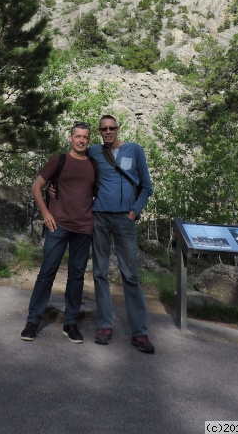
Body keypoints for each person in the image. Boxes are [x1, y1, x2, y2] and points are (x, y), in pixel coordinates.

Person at [20, 122, 97, 344]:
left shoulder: (93, 165)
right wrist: (46, 213)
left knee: (77, 277)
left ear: (88, 140)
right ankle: (32, 321)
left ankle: (70, 324)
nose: (81, 140)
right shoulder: (59, 160)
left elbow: (92, 193)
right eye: (78, 136)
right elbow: (36, 187)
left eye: (85, 137)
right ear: (70, 138)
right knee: (47, 273)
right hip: (57, 226)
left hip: (83, 229)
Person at [89, 114, 155, 354]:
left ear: (118, 128)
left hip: (125, 219)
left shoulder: (134, 150)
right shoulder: (93, 151)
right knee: (100, 272)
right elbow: (76, 170)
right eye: (104, 129)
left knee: (130, 275)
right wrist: (53, 184)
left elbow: (147, 186)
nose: (108, 132)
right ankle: (105, 325)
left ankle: (139, 332)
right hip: (100, 217)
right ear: (99, 131)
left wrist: (134, 212)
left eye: (111, 128)